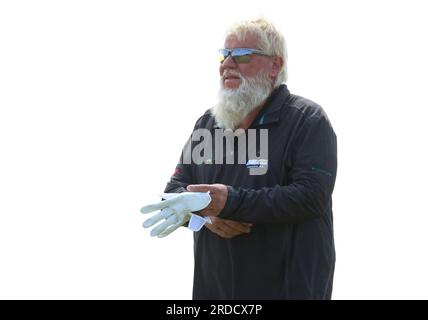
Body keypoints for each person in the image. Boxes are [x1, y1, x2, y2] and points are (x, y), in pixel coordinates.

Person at [162, 18, 337, 299]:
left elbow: (311, 196)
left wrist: (232, 202)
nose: (228, 63)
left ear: (274, 66)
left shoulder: (307, 120)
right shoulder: (208, 125)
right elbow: (173, 192)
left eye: (242, 55)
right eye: (224, 54)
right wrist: (205, 215)